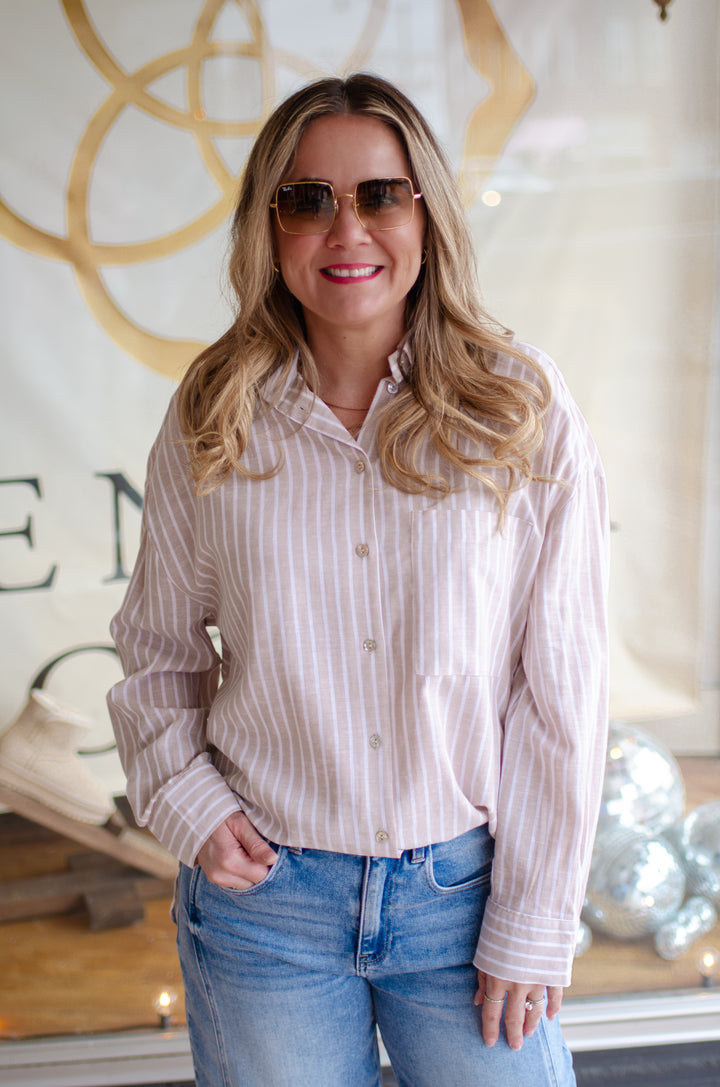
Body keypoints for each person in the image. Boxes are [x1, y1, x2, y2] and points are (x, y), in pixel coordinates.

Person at [108, 73, 609, 1087]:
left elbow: (562, 685)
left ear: (427, 210)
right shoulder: (214, 414)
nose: (348, 231)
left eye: (380, 193)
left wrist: (534, 915)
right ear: (270, 225)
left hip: (466, 900)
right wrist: (189, 801)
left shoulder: (521, 407)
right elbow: (156, 650)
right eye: (308, 199)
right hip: (268, 914)